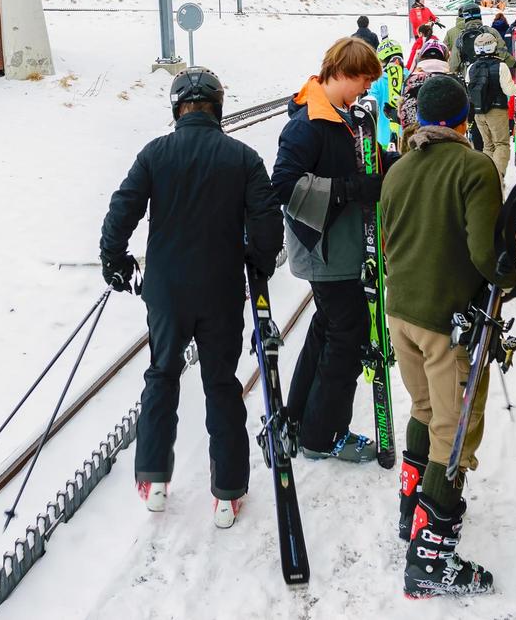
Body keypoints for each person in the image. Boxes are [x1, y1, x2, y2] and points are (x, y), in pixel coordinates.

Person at [100, 67, 284, 526]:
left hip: (165, 290)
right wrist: (258, 261)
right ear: (217, 108)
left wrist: (115, 259)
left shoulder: (155, 154)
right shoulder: (242, 157)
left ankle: (154, 480)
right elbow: (267, 222)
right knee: (221, 384)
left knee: (161, 374)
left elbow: (123, 207)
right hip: (221, 288)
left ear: (176, 109)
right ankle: (227, 492)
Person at [381, 73, 516, 597]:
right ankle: (430, 557)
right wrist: (514, 276)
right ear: (463, 121)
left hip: (403, 314)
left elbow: (392, 240)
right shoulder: (474, 167)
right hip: (448, 324)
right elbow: (487, 254)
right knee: (453, 433)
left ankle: (410, 511)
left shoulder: (398, 170)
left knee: (421, 411)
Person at [271, 38, 392, 463]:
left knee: (327, 329)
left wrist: (400, 164)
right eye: (362, 81)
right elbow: (283, 185)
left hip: (341, 248)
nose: (365, 90)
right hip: (326, 252)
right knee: (349, 335)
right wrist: (346, 190)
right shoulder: (307, 124)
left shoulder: (346, 116)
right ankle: (324, 435)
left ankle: (300, 417)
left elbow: (365, 162)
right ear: (342, 71)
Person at [461, 30, 516, 173]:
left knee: (487, 146)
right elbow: (509, 90)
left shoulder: (471, 68)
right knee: (501, 144)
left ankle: (486, 179)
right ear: (494, 46)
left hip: (479, 112)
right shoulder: (500, 66)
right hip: (497, 111)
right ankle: (497, 179)